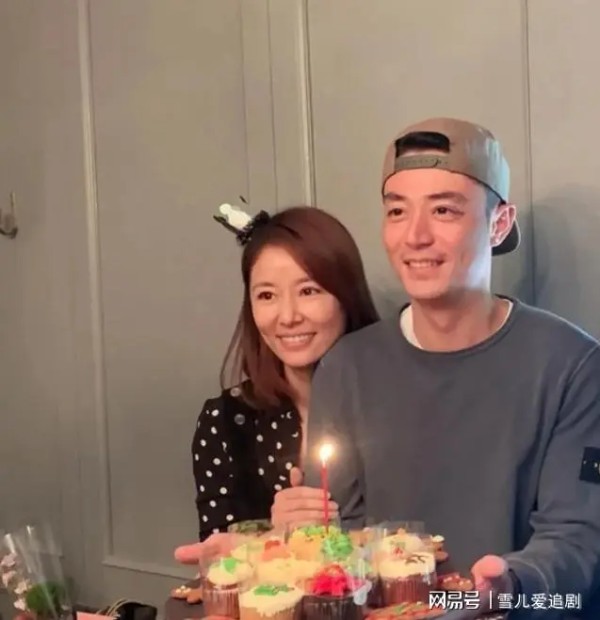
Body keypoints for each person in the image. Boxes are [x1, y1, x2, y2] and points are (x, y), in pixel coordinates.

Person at [275, 118, 600, 618]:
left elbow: (577, 541)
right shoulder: (347, 368)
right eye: (397, 211)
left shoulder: (573, 366)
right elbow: (342, 542)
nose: (415, 236)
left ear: (499, 223)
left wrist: (503, 587)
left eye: (444, 210)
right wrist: (273, 547)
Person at [177, 204, 379, 559]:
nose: (287, 317)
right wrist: (275, 537)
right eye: (267, 296)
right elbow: (218, 563)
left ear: (347, 295)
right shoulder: (227, 422)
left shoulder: (396, 399)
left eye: (309, 291)